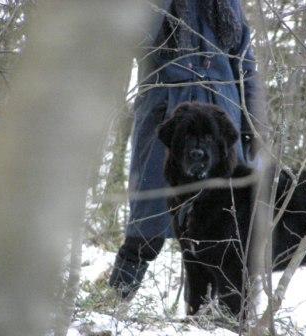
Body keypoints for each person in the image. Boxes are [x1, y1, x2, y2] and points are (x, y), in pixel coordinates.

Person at [109, 0, 266, 300]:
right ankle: (116, 303)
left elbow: (245, 62)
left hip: (221, 117)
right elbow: (138, 40)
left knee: (228, 227)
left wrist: (252, 125)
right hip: (167, 115)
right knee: (146, 221)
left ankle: (219, 317)